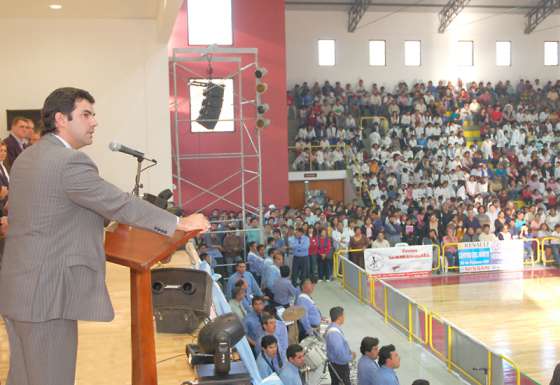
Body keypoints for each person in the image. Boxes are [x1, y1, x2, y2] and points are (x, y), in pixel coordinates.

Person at [0, 87, 210, 385]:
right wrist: (180, 222)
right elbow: (119, 203)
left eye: (93, 115)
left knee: (22, 378)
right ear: (61, 118)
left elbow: (41, 211)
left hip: (17, 290)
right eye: (86, 114)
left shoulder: (26, 158)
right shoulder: (69, 162)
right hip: (47, 296)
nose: (94, 122)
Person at [325, 306, 354, 385]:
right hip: (339, 366)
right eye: (343, 315)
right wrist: (351, 357)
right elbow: (340, 355)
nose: (344, 317)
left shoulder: (332, 328)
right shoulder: (334, 334)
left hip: (335, 364)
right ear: (340, 317)